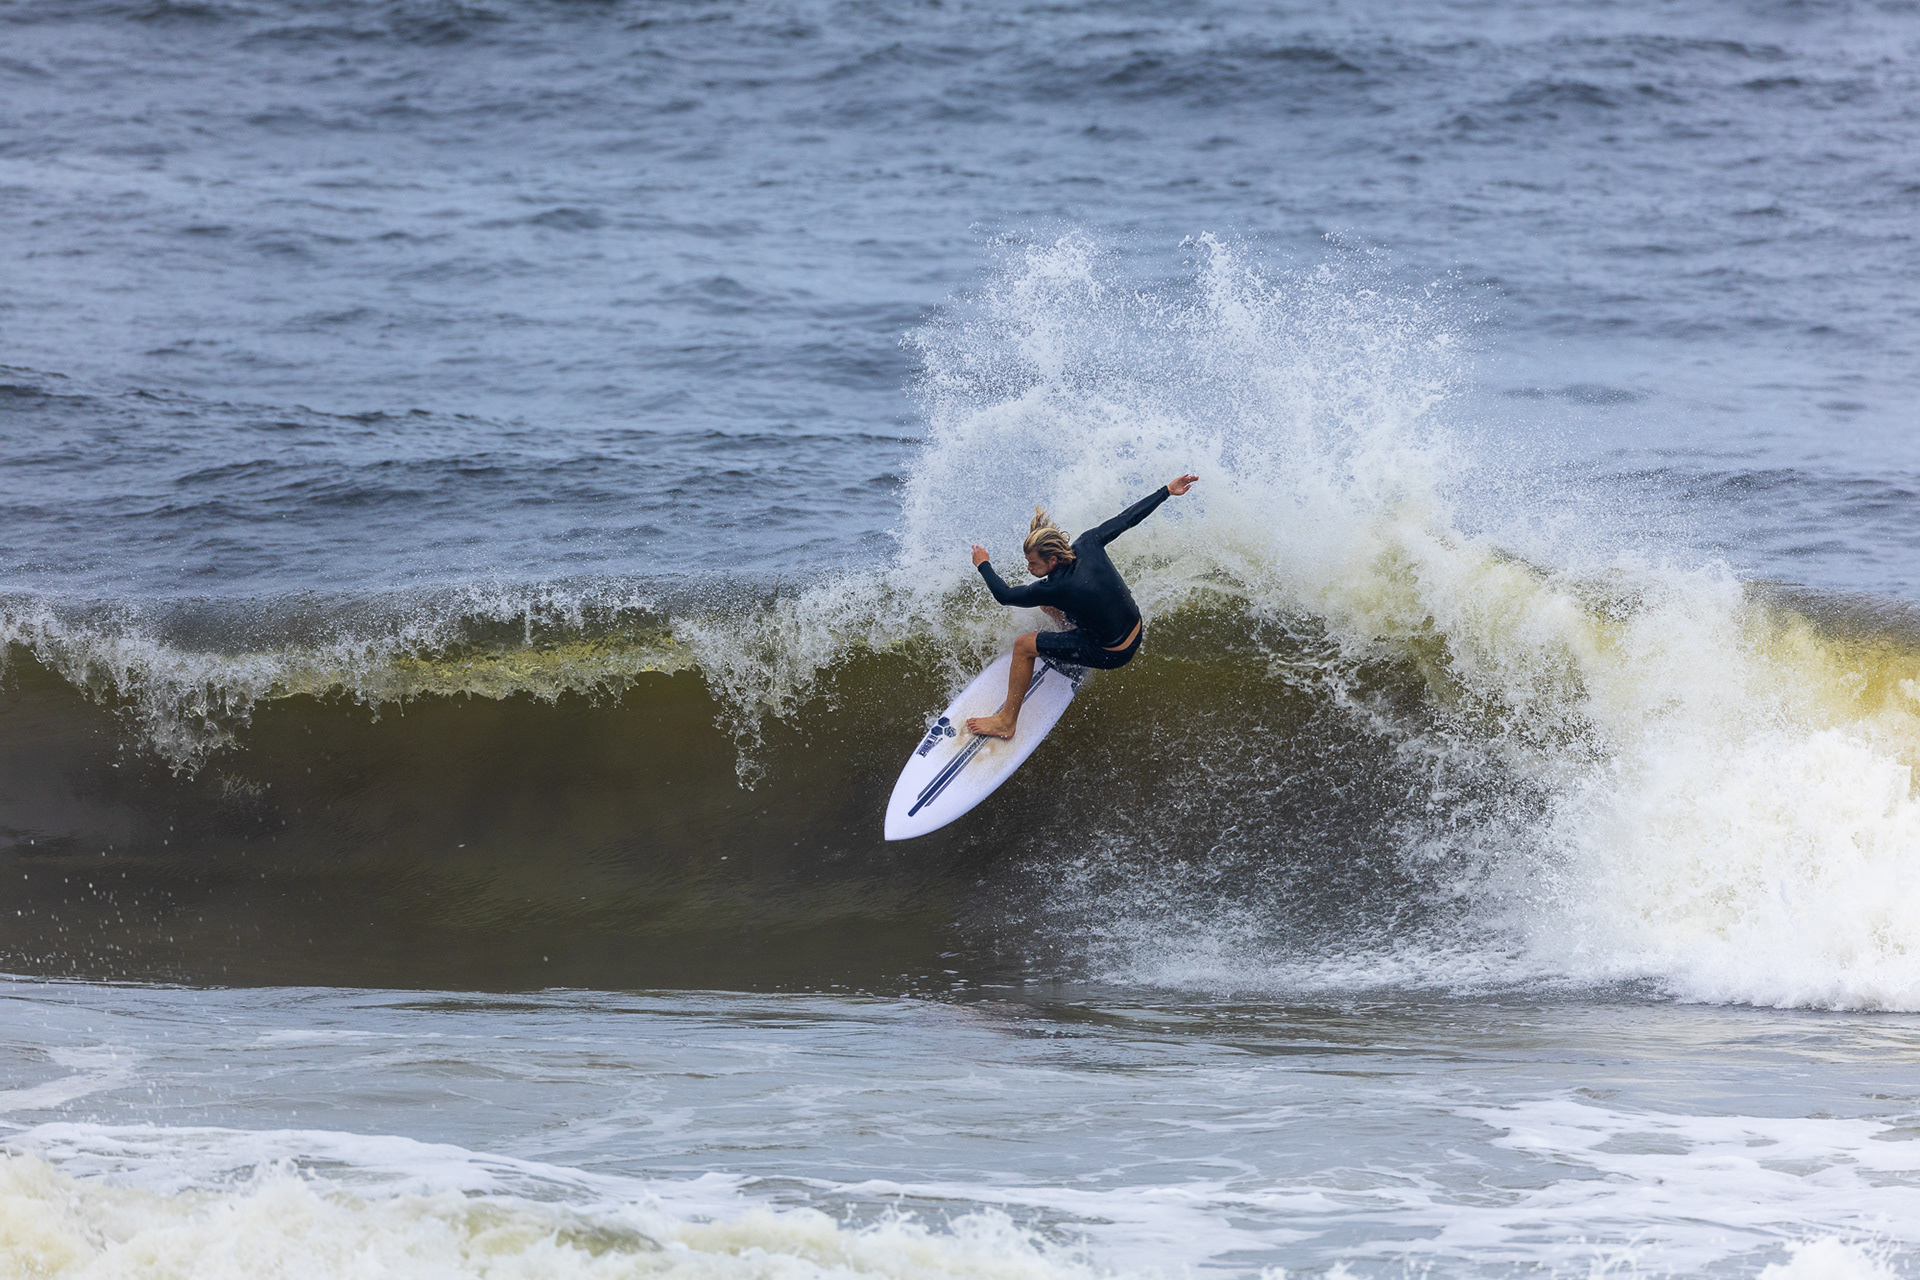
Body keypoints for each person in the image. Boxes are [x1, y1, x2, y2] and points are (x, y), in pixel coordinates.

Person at [964, 474, 1200, 739]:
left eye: (1033, 564)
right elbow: (1127, 518)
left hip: (1112, 653)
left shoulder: (1054, 587)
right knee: (1047, 606)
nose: (1029, 568)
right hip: (1134, 628)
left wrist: (983, 564)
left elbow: (1004, 595)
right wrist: (1166, 490)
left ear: (1053, 560)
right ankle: (1070, 639)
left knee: (1023, 646)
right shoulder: (1088, 542)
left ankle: (1006, 721)